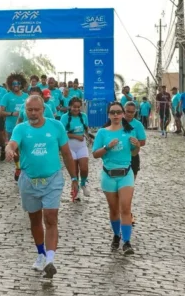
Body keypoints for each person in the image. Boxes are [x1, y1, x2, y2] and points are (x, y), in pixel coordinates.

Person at [6, 96, 77, 278]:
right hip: (29, 180)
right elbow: (13, 143)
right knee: (35, 220)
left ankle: (51, 260)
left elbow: (67, 154)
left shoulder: (56, 126)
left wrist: (75, 179)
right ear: (25, 111)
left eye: (37, 109)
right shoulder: (21, 128)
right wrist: (9, 149)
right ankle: (40, 254)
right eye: (30, 110)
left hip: (52, 180)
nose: (33, 113)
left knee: (51, 218)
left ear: (43, 109)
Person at [92, 101, 140, 255]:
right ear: (108, 115)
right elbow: (95, 154)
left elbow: (133, 154)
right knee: (113, 209)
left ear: (123, 114)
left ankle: (127, 242)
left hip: (126, 173)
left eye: (118, 112)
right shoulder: (102, 133)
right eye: (112, 112)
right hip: (109, 175)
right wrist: (107, 147)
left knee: (125, 207)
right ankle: (116, 235)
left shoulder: (129, 131)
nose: (116, 115)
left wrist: (137, 146)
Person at [0, 73, 29, 181]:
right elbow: (0, 112)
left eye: (18, 83)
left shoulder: (26, 97)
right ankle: (18, 167)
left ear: (22, 84)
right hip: (12, 127)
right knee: (16, 151)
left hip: (26, 127)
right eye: (13, 83)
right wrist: (12, 114)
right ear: (10, 85)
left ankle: (25, 169)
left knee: (25, 149)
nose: (16, 85)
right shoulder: (7, 96)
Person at [60, 97, 90, 200]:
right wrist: (76, 136)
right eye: (74, 107)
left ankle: (83, 183)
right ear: (70, 107)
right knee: (74, 170)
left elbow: (86, 129)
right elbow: (62, 134)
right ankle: (75, 189)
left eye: (78, 107)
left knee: (84, 167)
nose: (76, 109)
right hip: (69, 147)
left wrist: (88, 137)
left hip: (82, 146)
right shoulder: (64, 117)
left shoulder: (84, 116)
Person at [123, 101, 147, 180]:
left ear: (135, 112)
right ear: (124, 110)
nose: (130, 114)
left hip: (133, 155)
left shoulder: (138, 124)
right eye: (128, 111)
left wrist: (136, 143)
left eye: (132, 112)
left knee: (130, 184)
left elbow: (143, 141)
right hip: (119, 155)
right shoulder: (117, 122)